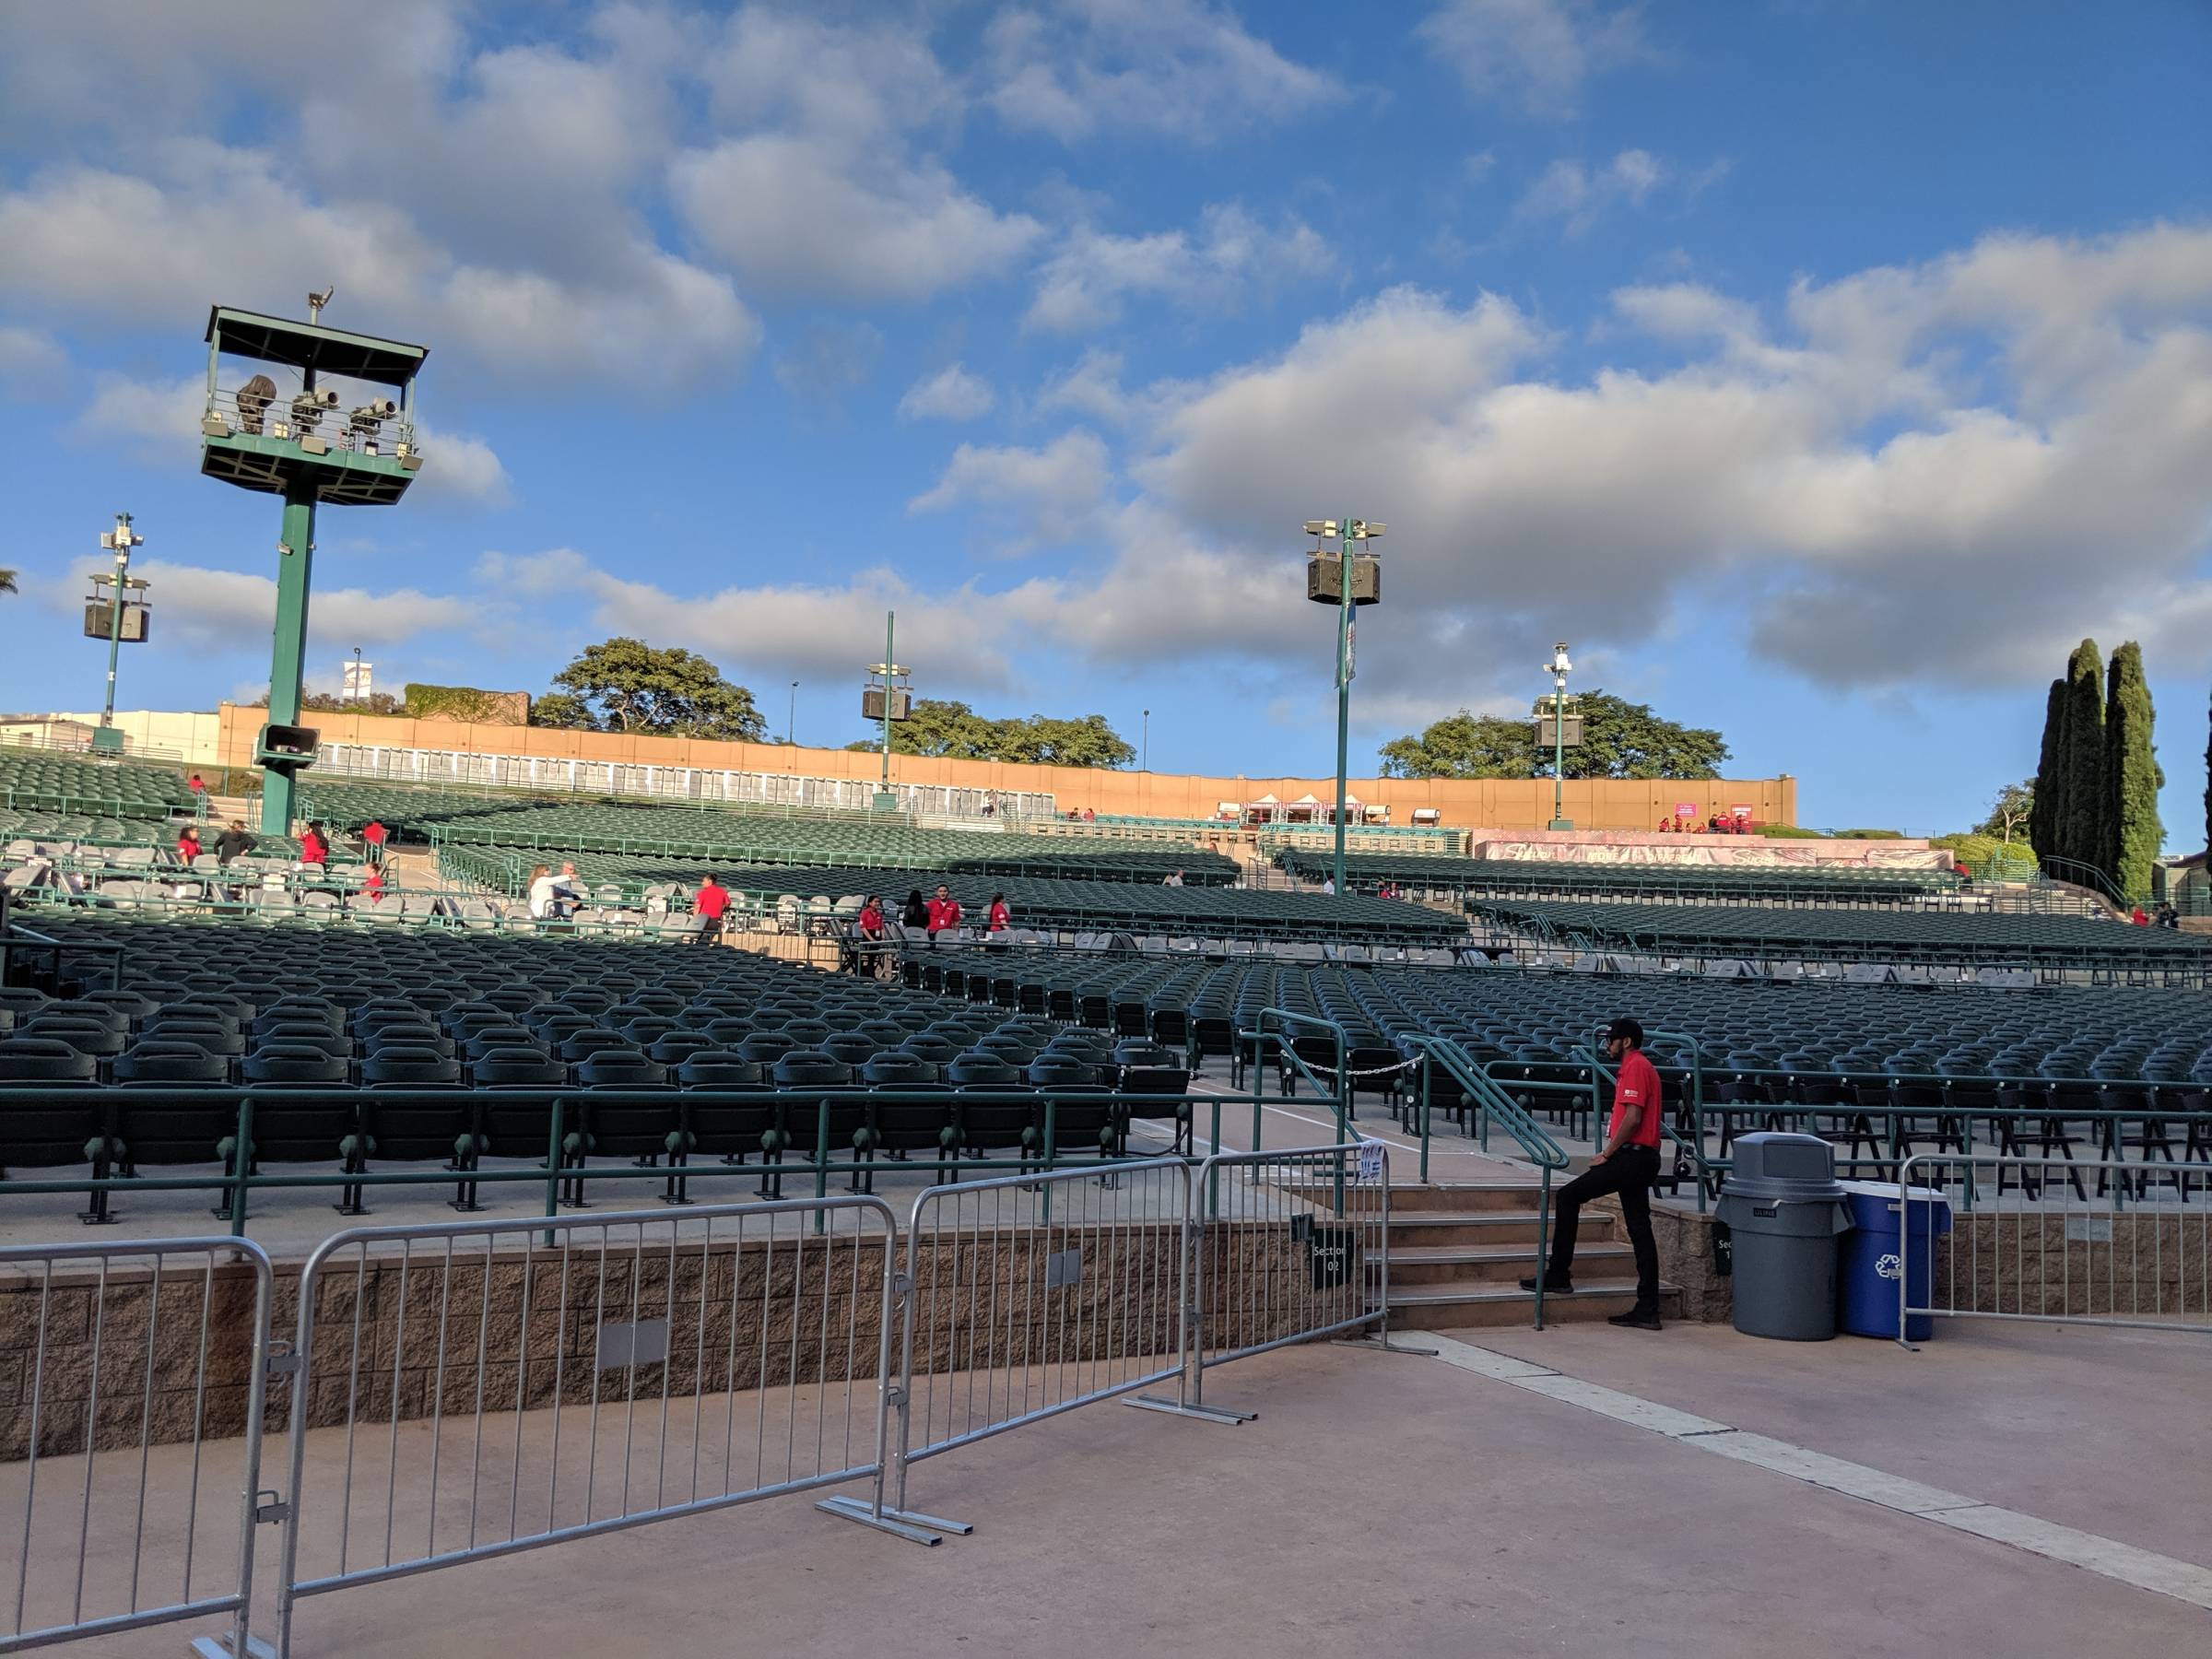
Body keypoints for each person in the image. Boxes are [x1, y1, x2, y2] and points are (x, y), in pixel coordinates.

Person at [1521, 1017, 1665, 1331]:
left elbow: (1632, 1117)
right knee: (1640, 1230)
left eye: (1612, 1039)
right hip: (1642, 1158)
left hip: (1631, 1157)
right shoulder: (1640, 1066)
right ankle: (1648, 1307)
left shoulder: (1635, 1067)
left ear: (1625, 1041)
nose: (1607, 1045)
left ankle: (1559, 1274)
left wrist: (1607, 1153)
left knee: (1569, 1196)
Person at [692, 874, 730, 945]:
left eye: (703, 881)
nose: (702, 883)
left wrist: (695, 920)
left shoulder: (702, 893)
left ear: (709, 882)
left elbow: (697, 907)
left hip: (703, 921)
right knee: (709, 940)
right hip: (715, 921)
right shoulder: (722, 891)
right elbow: (727, 903)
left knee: (701, 943)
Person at [925, 883, 961, 947]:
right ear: (937, 893)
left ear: (948, 893)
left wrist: (956, 934)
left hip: (947, 932)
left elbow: (956, 921)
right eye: (940, 891)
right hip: (933, 932)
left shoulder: (954, 905)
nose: (943, 893)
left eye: (945, 891)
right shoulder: (931, 903)